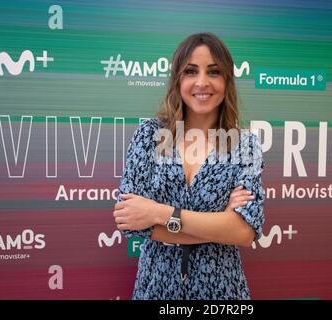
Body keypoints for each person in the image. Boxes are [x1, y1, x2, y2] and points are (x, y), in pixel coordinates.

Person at [113, 32, 265, 300]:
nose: (202, 82)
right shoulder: (149, 135)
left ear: (227, 79)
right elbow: (130, 222)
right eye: (191, 71)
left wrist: (158, 212)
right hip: (156, 288)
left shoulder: (245, 145)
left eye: (214, 72)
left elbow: (244, 232)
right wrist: (220, 228)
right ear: (177, 79)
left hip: (222, 291)